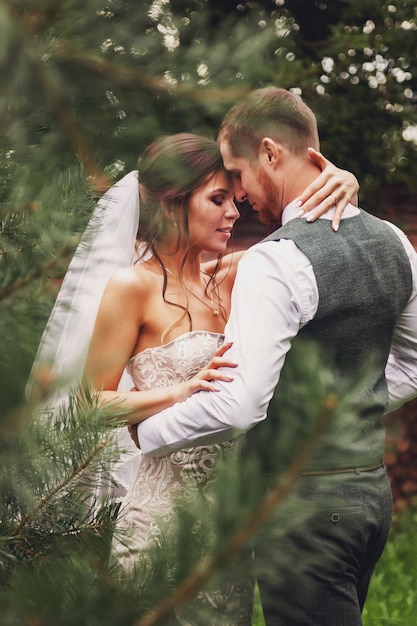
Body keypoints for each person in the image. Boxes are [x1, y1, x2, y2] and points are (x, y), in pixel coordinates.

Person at [31, 131, 358, 625]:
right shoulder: (131, 287)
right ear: (171, 204)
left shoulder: (235, 274)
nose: (235, 212)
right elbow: (86, 405)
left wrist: (344, 181)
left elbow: (314, 231)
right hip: (158, 524)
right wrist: (179, 392)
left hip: (227, 529)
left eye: (235, 198)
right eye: (218, 199)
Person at [134, 89, 417, 625]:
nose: (238, 195)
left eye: (237, 174)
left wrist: (148, 435)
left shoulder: (275, 261)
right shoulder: (395, 241)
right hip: (370, 500)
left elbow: (241, 406)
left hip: (304, 509)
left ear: (270, 153)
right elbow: (413, 364)